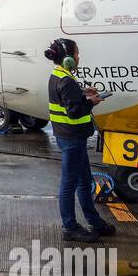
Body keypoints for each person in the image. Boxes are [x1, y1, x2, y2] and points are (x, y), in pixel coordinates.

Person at [45, 38, 116, 242]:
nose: (78, 57)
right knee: (69, 184)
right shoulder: (66, 80)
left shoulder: (59, 75)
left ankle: (94, 221)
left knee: (84, 181)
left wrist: (83, 94)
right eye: (76, 53)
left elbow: (68, 101)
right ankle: (70, 227)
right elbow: (75, 112)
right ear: (68, 59)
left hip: (70, 137)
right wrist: (91, 102)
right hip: (72, 137)